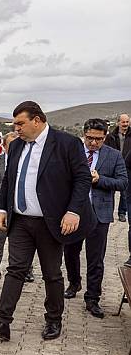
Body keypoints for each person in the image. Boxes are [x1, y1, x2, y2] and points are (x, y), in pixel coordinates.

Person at [0, 101, 95, 341]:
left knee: (51, 273)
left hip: (51, 221)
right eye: (14, 124)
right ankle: (2, 322)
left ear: (37, 120)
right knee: (15, 270)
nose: (17, 129)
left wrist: (73, 211)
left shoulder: (66, 144)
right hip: (21, 221)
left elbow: (82, 179)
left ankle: (53, 320)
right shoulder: (15, 147)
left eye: (20, 123)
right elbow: (8, 182)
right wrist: (2, 207)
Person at [63, 118, 127, 318]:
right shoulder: (73, 152)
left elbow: (123, 182)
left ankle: (92, 298)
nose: (93, 143)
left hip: (100, 214)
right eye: (89, 138)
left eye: (98, 139)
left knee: (96, 258)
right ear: (84, 134)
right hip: (74, 212)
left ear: (105, 137)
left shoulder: (114, 155)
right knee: (71, 252)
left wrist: (100, 180)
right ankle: (74, 282)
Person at [0, 132, 35, 290]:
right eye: (11, 145)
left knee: (24, 243)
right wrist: (8, 189)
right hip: (0, 209)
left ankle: (27, 271)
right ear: (3, 146)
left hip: (21, 210)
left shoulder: (27, 161)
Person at [103, 113, 130, 222]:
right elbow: (105, 150)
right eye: (123, 122)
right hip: (112, 166)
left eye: (127, 122)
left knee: (125, 192)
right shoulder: (111, 137)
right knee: (110, 191)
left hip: (127, 167)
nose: (125, 124)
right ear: (118, 122)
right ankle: (108, 213)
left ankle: (122, 213)